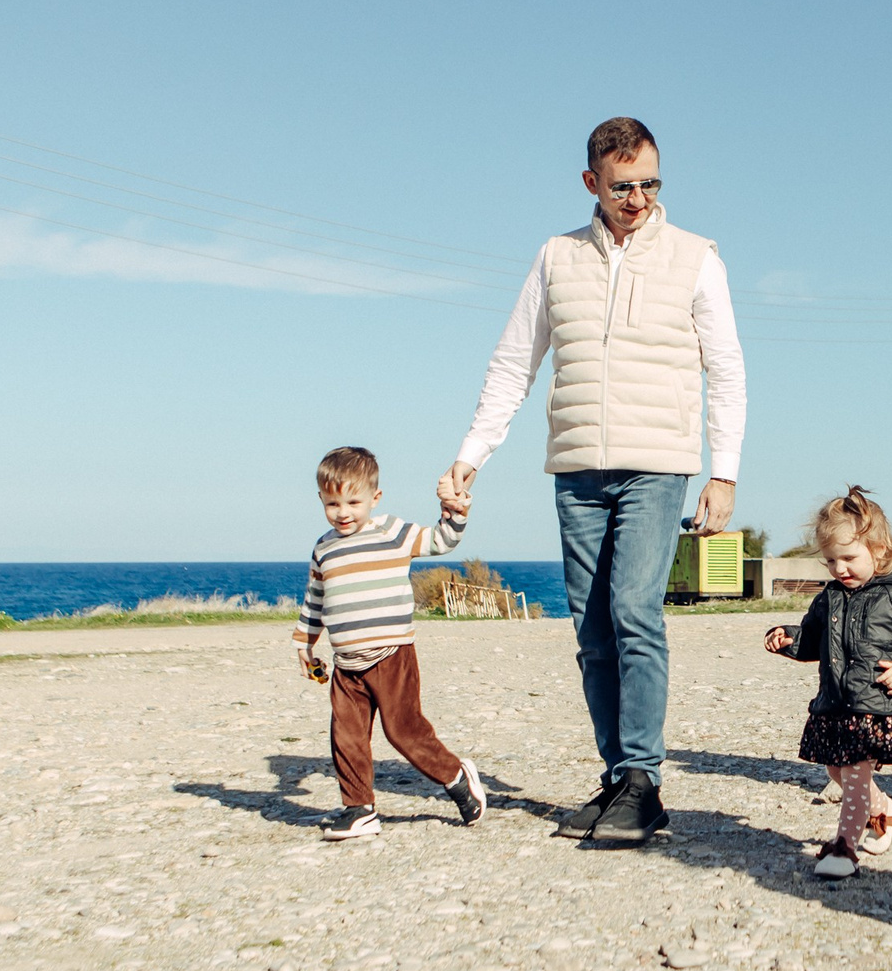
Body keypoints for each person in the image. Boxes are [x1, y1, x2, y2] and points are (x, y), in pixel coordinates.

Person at [439, 117, 746, 847]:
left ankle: (644, 780)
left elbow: (726, 367)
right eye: (622, 186)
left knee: (635, 610)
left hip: (657, 462)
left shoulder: (697, 258)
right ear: (591, 184)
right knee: (592, 628)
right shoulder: (555, 258)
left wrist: (723, 471)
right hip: (577, 469)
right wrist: (469, 455)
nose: (637, 198)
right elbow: (515, 363)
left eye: (649, 183)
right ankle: (617, 777)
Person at [763, 488, 892, 879]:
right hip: (836, 702)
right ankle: (884, 810)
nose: (840, 569)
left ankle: (844, 848)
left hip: (876, 703)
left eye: (850, 558)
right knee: (836, 771)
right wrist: (789, 639)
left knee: (853, 773)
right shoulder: (830, 597)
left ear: (880, 549)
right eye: (831, 560)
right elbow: (812, 639)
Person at [296, 446, 488, 841]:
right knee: (346, 736)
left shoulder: (391, 532)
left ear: (374, 498)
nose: (343, 511)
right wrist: (306, 641)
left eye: (353, 501)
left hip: (392, 654)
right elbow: (316, 598)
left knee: (404, 731)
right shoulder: (324, 548)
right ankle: (358, 808)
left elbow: (440, 541)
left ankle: (456, 777)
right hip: (346, 662)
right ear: (321, 500)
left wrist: (455, 511)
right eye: (332, 503)